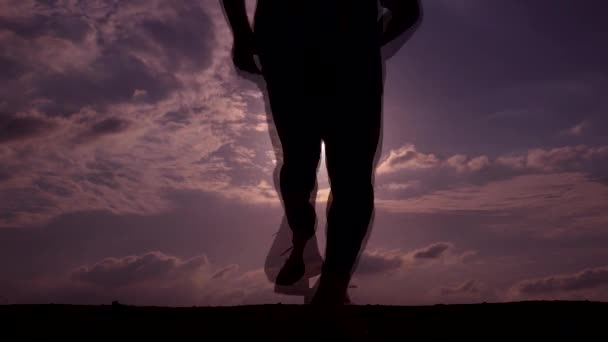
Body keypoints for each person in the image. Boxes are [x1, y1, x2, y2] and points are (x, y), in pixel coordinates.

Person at [221, 0, 421, 305]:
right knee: (303, 166)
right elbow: (407, 11)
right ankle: (303, 239)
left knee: (347, 175)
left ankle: (333, 286)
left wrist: (368, 42)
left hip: (325, 56)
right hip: (297, 53)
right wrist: (241, 33)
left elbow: (407, 9)